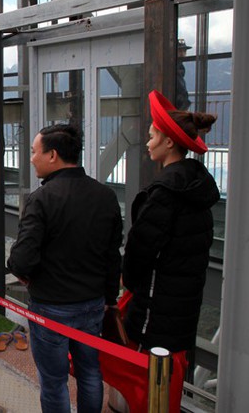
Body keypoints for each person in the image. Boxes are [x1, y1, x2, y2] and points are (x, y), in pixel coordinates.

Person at [100, 90, 220, 413]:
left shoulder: (164, 194)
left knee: (146, 394)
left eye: (153, 135)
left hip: (155, 319)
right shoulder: (199, 191)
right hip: (181, 318)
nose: (148, 141)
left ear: (169, 142)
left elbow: (139, 258)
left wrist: (127, 279)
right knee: (168, 395)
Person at [6, 124, 123, 413]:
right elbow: (112, 255)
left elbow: (21, 260)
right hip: (93, 304)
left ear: (53, 155)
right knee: (91, 372)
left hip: (51, 307)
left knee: (55, 380)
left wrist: (26, 274)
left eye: (34, 152)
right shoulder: (105, 195)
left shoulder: (42, 199)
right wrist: (110, 299)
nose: (31, 158)